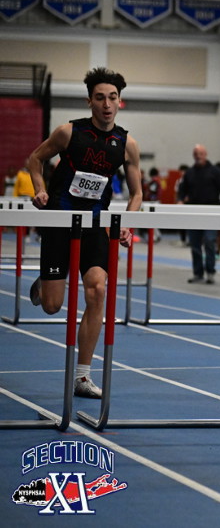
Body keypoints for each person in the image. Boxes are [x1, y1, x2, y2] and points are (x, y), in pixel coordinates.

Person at [26, 67, 142, 398]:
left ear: (120, 102)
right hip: (59, 221)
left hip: (94, 224)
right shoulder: (68, 132)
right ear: (89, 101)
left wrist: (127, 224)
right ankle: (45, 282)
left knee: (97, 290)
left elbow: (137, 194)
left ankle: (82, 377)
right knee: (52, 306)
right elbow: (35, 158)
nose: (107, 104)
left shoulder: (127, 144)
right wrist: (39, 189)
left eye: (112, 98)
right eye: (100, 98)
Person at [177, 144, 220, 284]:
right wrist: (180, 200)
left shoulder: (215, 171)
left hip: (211, 212)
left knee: (209, 241)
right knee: (195, 244)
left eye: (200, 153)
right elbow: (182, 189)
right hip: (193, 212)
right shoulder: (189, 172)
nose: (198, 156)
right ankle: (198, 273)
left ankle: (210, 271)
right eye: (196, 154)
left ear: (205, 154)